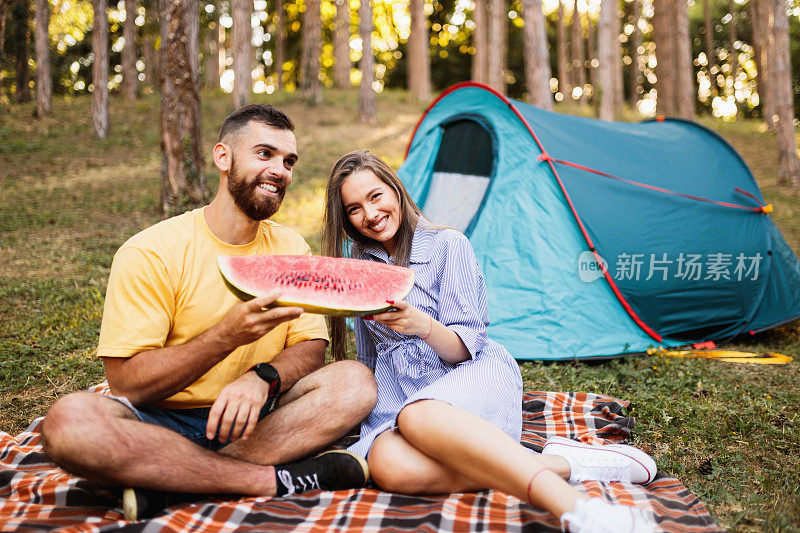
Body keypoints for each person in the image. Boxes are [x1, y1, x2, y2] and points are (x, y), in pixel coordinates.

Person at [40, 105, 377, 520]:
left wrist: (263, 379)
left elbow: (310, 347)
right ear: (223, 157)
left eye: (289, 161)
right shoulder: (151, 251)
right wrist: (225, 336)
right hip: (159, 420)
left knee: (355, 382)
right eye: (265, 154)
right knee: (66, 423)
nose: (281, 170)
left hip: (259, 420)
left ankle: (172, 483)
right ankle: (267, 481)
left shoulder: (291, 248)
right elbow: (127, 383)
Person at [322, 150, 658, 533]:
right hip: (398, 394)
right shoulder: (358, 264)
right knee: (388, 467)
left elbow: (465, 346)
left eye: (375, 196)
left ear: (395, 191)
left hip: (469, 373)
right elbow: (370, 357)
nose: (369, 213)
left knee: (420, 415)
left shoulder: (449, 245)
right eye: (354, 208)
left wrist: (421, 325)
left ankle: (577, 509)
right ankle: (566, 465)